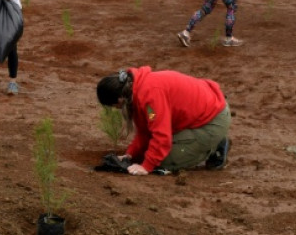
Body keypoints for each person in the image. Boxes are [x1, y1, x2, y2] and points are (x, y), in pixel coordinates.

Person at [95, 67, 231, 175]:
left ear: (119, 100)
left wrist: (146, 167)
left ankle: (215, 145)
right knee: (148, 154)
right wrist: (129, 155)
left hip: (212, 119)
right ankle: (209, 140)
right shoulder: (137, 88)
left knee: (163, 161)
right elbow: (146, 131)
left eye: (114, 106)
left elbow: (161, 135)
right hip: (201, 113)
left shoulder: (150, 98)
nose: (117, 109)